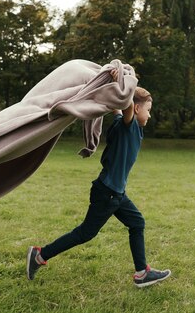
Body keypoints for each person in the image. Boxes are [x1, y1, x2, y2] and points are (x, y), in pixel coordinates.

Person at [26, 69, 171, 288]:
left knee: (137, 223)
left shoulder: (125, 123)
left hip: (115, 192)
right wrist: (122, 81)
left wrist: (115, 84)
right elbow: (125, 104)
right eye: (148, 110)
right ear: (137, 108)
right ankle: (39, 255)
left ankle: (142, 273)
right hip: (108, 193)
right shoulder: (128, 124)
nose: (150, 115)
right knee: (85, 233)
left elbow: (116, 107)